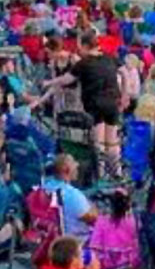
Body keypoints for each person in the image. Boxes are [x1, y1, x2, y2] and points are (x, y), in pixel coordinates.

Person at [51, 41, 123, 177]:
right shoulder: (109, 57)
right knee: (112, 140)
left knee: (98, 141)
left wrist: (50, 82)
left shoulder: (84, 63)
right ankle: (116, 171)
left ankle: (100, 173)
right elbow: (123, 72)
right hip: (112, 101)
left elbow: (67, 79)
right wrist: (124, 93)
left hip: (94, 103)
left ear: (85, 47)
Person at [41, 154, 97, 237]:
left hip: (50, 237)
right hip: (74, 241)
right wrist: (94, 207)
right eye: (75, 167)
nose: (77, 169)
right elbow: (94, 220)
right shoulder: (73, 195)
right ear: (67, 170)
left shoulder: (44, 188)